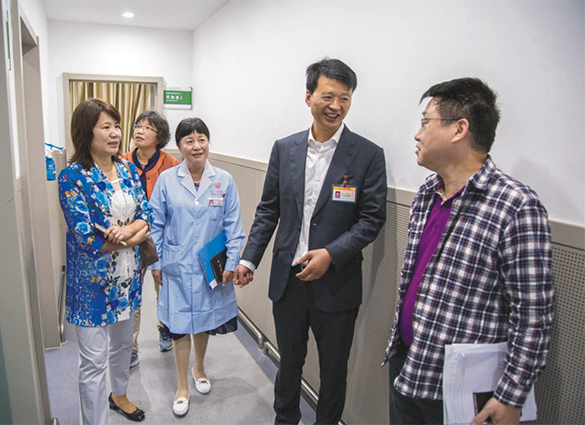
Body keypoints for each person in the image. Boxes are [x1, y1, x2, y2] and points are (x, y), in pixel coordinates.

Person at [382, 78, 554, 425]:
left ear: (459, 129)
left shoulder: (515, 206)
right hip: (407, 365)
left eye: (425, 122)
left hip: (459, 389)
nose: (417, 135)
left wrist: (511, 395)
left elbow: (532, 314)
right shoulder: (427, 193)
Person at [234, 58, 388, 424]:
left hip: (337, 283)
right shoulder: (284, 148)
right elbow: (268, 210)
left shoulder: (368, 154)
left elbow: (371, 220)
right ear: (308, 97)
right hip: (288, 280)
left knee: (334, 371)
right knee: (289, 362)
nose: (336, 106)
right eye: (328, 96)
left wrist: (331, 254)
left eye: (345, 98)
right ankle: (285, 419)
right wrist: (249, 259)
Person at [58, 98, 152, 424]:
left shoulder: (127, 169)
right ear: (87, 132)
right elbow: (85, 237)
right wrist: (134, 237)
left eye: (117, 126)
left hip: (127, 276)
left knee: (123, 346)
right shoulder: (72, 177)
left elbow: (146, 213)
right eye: (106, 127)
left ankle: (120, 395)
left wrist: (127, 233)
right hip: (92, 286)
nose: (115, 133)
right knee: (93, 363)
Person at [149, 117, 245, 417]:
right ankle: (182, 386)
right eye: (189, 140)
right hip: (175, 265)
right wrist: (156, 262)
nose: (196, 146)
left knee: (203, 319)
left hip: (209, 267)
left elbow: (234, 227)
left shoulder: (224, 180)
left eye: (201, 139)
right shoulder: (167, 180)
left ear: (208, 142)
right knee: (179, 324)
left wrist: (231, 263)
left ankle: (199, 368)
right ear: (179, 146)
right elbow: (155, 224)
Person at [121, 110, 179, 364]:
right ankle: (130, 347)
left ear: (160, 136)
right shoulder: (121, 162)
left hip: (162, 237)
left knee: (163, 287)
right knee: (131, 293)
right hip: (131, 237)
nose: (139, 131)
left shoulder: (171, 164)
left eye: (147, 128)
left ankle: (164, 328)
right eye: (137, 126)